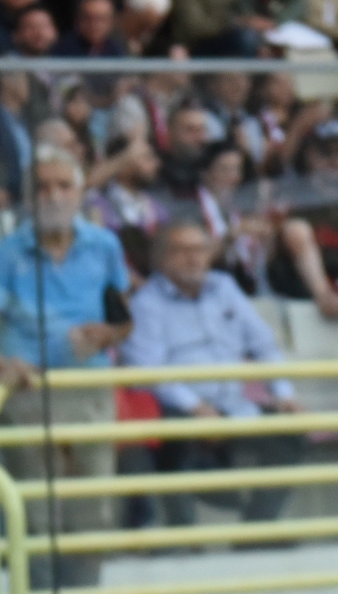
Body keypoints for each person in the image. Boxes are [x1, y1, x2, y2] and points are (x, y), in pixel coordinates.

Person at [0, 148, 126, 594]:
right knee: (35, 522)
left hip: (89, 391)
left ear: (80, 193)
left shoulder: (105, 246)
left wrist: (106, 333)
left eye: (63, 186)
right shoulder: (8, 252)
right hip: (29, 399)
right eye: (43, 187)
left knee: (89, 520)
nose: (53, 196)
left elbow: (123, 319)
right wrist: (1, 366)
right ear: (29, 197)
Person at [117, 215, 297, 526]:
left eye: (200, 249)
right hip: (181, 409)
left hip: (234, 406)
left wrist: (284, 393)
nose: (193, 257)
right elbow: (146, 369)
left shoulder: (225, 287)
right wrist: (196, 407)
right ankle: (183, 538)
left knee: (291, 433)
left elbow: (264, 345)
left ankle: (257, 529)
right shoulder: (146, 304)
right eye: (181, 250)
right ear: (160, 259)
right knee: (175, 436)